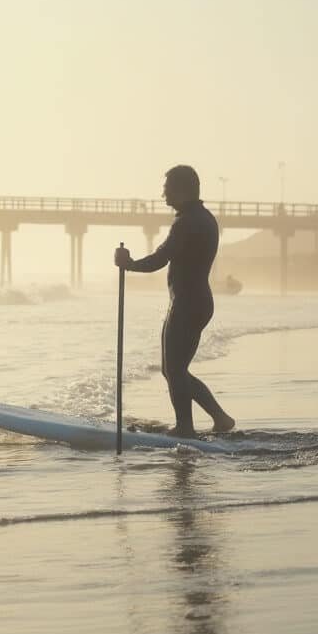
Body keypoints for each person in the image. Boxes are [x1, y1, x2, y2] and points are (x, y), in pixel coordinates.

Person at [114, 165, 236, 437]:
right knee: (174, 370)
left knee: (175, 370)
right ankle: (220, 418)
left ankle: (185, 427)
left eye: (167, 188)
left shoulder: (187, 222)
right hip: (198, 301)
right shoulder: (204, 218)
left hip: (187, 303)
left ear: (182, 190)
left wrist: (129, 264)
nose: (162, 194)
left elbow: (160, 257)